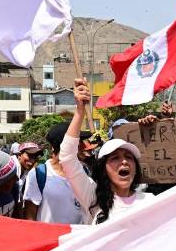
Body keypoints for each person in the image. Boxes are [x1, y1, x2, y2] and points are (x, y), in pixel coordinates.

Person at [63, 79, 154, 224]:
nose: (124, 161)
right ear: (103, 168)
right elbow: (67, 157)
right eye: (115, 158)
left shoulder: (150, 201)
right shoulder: (92, 197)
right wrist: (80, 110)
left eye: (129, 157)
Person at [22, 123, 85, 225]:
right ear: (66, 146)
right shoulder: (38, 175)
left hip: (76, 239)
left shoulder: (84, 172)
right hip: (49, 239)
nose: (83, 146)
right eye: (79, 142)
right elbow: (30, 218)